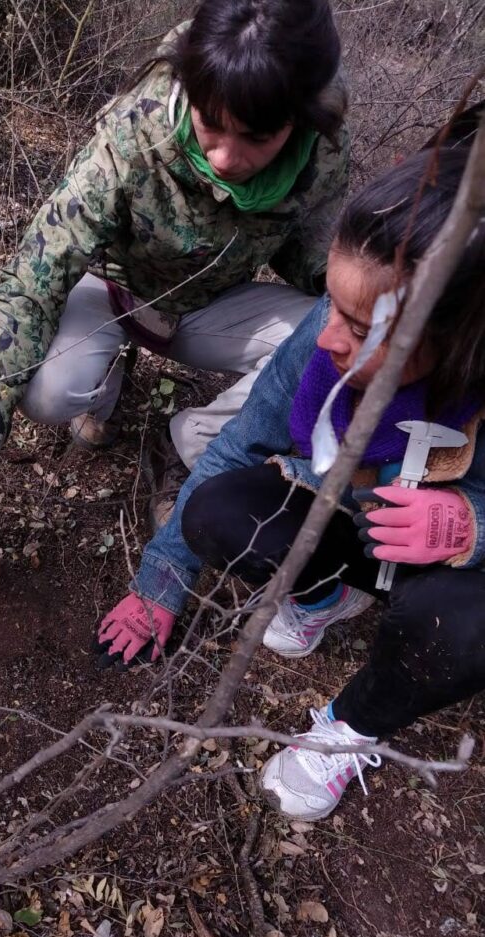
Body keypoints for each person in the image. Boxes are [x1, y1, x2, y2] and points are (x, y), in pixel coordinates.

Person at [95, 140, 485, 820]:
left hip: (448, 566)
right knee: (219, 510)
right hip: (358, 519)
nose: (329, 336)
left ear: (457, 336)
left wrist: (472, 524)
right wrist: (161, 579)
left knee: (464, 624)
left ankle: (349, 727)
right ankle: (325, 595)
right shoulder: (325, 334)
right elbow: (240, 446)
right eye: (332, 306)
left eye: (361, 326)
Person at [0, 0, 350, 581]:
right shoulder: (133, 134)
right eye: (211, 122)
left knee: (332, 340)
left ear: (299, 120)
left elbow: (313, 259)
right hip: (112, 291)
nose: (226, 158)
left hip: (210, 306)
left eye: (257, 136)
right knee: (50, 393)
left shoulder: (321, 154)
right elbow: (35, 277)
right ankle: (103, 384)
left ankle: (190, 444)